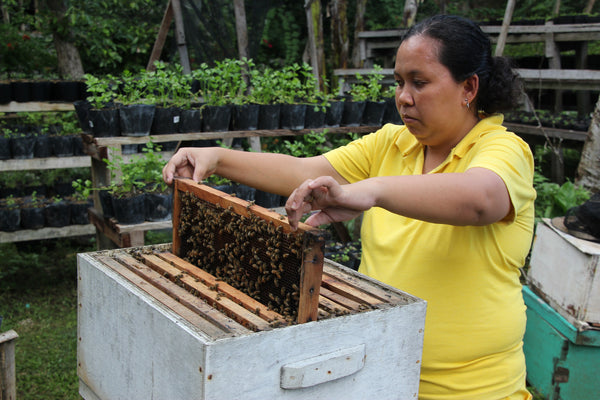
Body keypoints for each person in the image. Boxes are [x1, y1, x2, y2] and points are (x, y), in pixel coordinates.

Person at [163, 14, 536, 400]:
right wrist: (218, 158)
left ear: (469, 87)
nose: (403, 97)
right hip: (376, 373)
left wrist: (372, 191)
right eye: (399, 82)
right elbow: (304, 170)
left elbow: (481, 200)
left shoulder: (503, 149)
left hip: (471, 390)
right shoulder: (390, 144)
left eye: (419, 82)